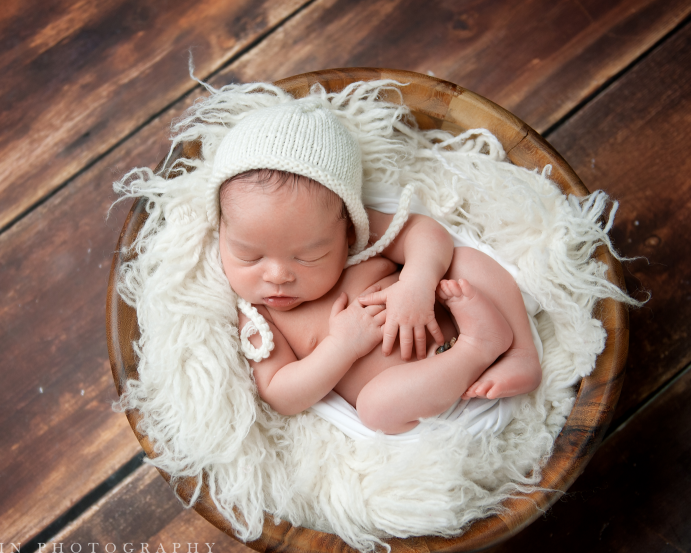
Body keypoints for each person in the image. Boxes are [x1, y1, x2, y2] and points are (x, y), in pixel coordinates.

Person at [211, 99, 541, 435]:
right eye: (249, 256)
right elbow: (281, 393)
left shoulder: (360, 239)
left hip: (451, 315)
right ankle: (478, 348)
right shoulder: (258, 317)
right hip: (420, 390)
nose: (277, 276)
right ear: (222, 233)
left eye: (308, 257)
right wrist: (342, 346)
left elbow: (427, 234)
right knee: (376, 407)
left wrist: (416, 283)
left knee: (465, 260)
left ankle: (520, 354)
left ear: (347, 231)